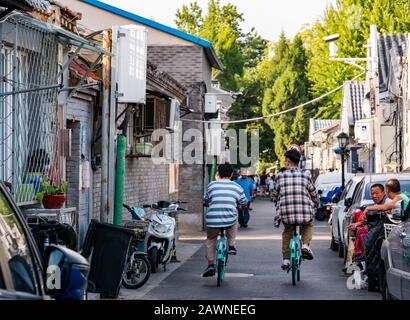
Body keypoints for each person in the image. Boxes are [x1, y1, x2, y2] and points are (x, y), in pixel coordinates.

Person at [273, 149, 319, 270]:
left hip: (286, 213)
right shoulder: (305, 176)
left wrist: (277, 200)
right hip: (304, 212)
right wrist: (316, 204)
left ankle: (286, 260)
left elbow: (275, 194)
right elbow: (313, 193)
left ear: (288, 162)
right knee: (308, 224)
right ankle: (305, 245)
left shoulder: (279, 176)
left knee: (287, 232)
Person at [202, 163, 247, 277]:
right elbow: (244, 201)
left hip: (212, 219)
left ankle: (211, 264)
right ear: (231, 174)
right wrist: (240, 206)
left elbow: (206, 200)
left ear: (218, 173)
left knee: (211, 239)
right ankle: (231, 245)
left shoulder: (212, 185)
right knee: (234, 218)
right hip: (229, 218)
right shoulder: (236, 186)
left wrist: (208, 203)